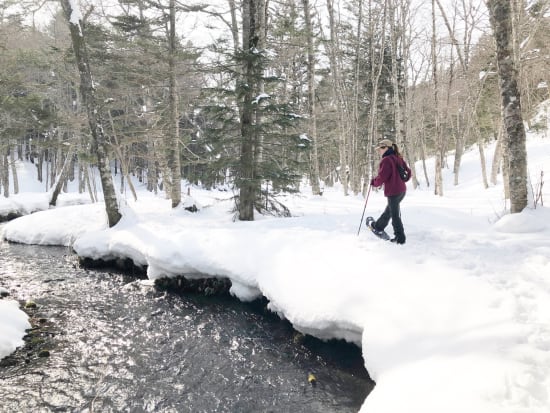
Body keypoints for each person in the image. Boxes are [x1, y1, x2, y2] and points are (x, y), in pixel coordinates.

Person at [369, 138, 411, 244]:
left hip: (393, 192)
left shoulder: (386, 160)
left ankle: (400, 238)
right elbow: (408, 171)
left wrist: (373, 182)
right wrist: (403, 179)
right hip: (401, 191)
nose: (379, 151)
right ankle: (378, 226)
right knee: (390, 211)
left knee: (395, 215)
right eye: (378, 149)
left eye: (381, 148)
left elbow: (382, 177)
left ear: (386, 148)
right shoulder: (398, 157)